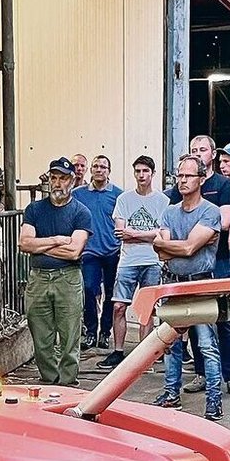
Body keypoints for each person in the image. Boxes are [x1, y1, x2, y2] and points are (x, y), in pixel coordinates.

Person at [169, 135, 230, 398]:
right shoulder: (177, 190)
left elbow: (223, 224)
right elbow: (166, 230)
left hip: (217, 261)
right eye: (193, 150)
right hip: (184, 268)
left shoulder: (222, 184)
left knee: (221, 318)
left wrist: (188, 239)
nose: (198, 153)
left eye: (202, 149)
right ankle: (201, 374)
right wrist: (187, 239)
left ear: (212, 153)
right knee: (191, 320)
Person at [151, 154, 224, 421]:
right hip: (172, 281)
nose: (181, 180)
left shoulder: (210, 211)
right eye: (179, 175)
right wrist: (174, 247)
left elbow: (189, 247)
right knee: (170, 343)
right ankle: (171, 395)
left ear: (201, 178)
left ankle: (213, 402)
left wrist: (169, 245)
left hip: (200, 282)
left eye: (188, 176)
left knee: (206, 345)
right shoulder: (170, 211)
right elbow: (162, 253)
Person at [20, 158, 92, 386]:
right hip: (38, 278)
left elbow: (73, 252)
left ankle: (68, 383)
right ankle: (49, 380)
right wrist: (56, 240)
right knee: (41, 335)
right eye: (53, 178)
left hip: (67, 278)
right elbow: (24, 244)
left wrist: (41, 246)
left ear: (72, 181)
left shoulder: (81, 212)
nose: (57, 183)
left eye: (62, 178)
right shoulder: (34, 210)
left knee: (70, 334)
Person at [102, 155, 168, 370]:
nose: (141, 175)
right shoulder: (124, 199)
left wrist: (134, 233)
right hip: (128, 261)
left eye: (145, 171)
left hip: (152, 260)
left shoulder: (162, 201)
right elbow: (121, 233)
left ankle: (144, 355)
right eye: (138, 171)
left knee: (147, 310)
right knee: (119, 306)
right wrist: (146, 234)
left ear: (153, 174)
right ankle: (118, 351)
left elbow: (161, 235)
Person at [73, 155, 123, 351]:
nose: (99, 170)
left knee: (111, 293)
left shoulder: (118, 195)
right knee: (89, 289)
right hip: (89, 252)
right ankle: (91, 331)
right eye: (96, 166)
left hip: (112, 251)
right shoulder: (78, 194)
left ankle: (105, 332)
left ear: (109, 171)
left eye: (103, 166)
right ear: (90, 170)